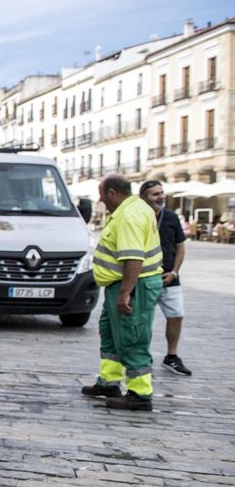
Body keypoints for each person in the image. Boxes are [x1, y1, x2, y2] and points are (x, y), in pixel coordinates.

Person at [80, 175, 163, 411]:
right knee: (111, 334)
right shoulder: (133, 208)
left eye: (102, 194)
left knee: (132, 336)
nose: (100, 199)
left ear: (113, 193)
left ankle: (139, 393)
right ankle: (108, 382)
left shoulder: (129, 215)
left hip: (135, 286)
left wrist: (126, 293)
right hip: (121, 284)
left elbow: (133, 258)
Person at [139, 181, 191, 376]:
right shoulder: (138, 217)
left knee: (176, 315)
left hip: (170, 277)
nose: (161, 197)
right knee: (143, 319)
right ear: (144, 197)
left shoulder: (171, 217)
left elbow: (180, 246)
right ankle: (143, 356)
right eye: (155, 194)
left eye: (162, 193)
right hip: (145, 278)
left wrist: (175, 272)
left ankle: (172, 356)